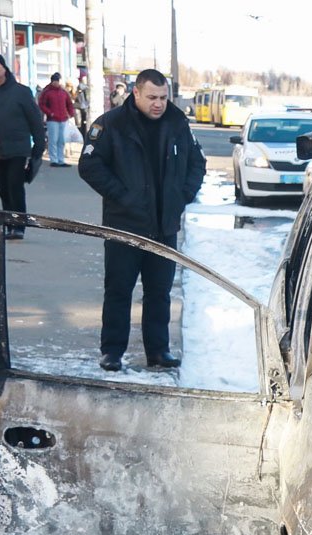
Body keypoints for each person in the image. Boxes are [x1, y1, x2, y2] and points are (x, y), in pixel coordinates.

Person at [78, 68, 205, 372]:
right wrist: (123, 196)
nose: (158, 103)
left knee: (159, 293)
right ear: (136, 93)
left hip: (164, 227)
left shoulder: (178, 123)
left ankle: (158, 351)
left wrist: (181, 196)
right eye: (152, 97)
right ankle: (111, 352)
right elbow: (89, 165)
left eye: (163, 97)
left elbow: (197, 163)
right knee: (119, 291)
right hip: (124, 225)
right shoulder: (111, 124)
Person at [0, 52, 46, 241]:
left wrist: (38, 147)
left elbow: (35, 120)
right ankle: (8, 223)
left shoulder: (21, 92)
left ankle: (18, 226)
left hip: (18, 148)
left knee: (15, 186)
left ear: (4, 68)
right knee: (3, 188)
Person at [38, 72, 73, 166]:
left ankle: (61, 160)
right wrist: (50, 113)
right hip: (52, 120)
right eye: (54, 81)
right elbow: (41, 104)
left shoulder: (63, 92)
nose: (56, 83)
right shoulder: (47, 92)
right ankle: (54, 160)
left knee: (61, 140)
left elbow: (69, 103)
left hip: (63, 119)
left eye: (57, 81)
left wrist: (71, 113)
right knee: (53, 140)